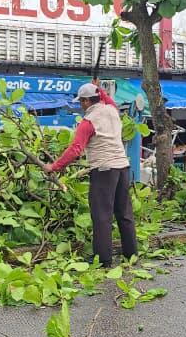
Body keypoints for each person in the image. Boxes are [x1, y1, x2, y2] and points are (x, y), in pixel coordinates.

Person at [43, 82, 136, 269]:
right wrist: (98, 89)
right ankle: (131, 254)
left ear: (86, 101)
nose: (81, 105)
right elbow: (107, 99)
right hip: (122, 168)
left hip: (104, 170)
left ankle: (103, 259)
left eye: (81, 102)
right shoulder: (112, 110)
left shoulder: (88, 121)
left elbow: (75, 149)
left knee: (102, 215)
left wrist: (54, 166)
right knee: (124, 213)